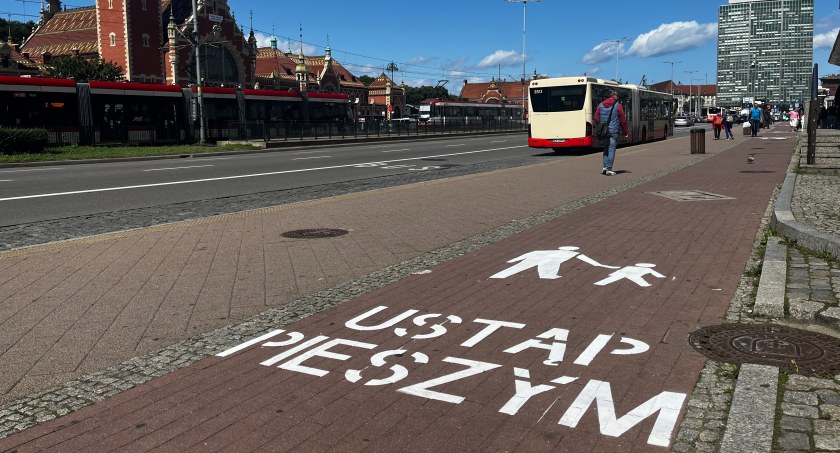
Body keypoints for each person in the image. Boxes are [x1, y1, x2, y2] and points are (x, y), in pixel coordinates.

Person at [593, 90, 629, 176]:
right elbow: (623, 120)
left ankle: (605, 168)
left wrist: (601, 125)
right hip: (613, 131)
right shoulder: (618, 105)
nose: (617, 97)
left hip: (604, 131)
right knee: (611, 149)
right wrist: (625, 131)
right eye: (617, 95)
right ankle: (609, 169)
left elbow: (596, 118)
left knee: (605, 148)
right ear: (613, 96)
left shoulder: (600, 105)